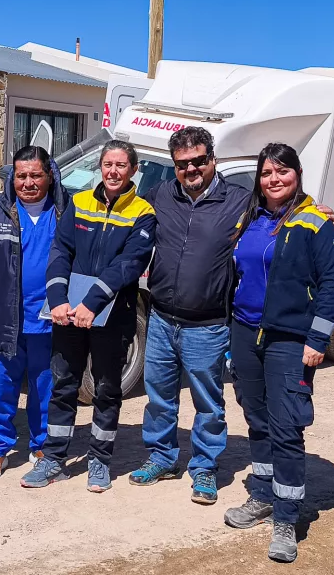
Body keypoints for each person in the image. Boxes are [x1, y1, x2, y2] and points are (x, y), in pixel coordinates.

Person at [223, 142, 334, 563]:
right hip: (244, 331)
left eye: (283, 172)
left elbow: (333, 286)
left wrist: (317, 340)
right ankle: (261, 496)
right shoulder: (249, 217)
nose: (274, 180)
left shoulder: (317, 223)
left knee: (286, 427)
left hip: (289, 339)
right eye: (266, 173)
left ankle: (287, 517)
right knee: (256, 419)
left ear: (297, 174)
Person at [21, 140, 156, 493]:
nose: (113, 171)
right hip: (69, 315)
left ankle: (99, 459)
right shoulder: (79, 203)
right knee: (63, 386)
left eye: (121, 165)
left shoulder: (143, 212)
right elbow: (60, 251)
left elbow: (128, 265)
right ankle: (53, 459)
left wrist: (92, 302)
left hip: (114, 315)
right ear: (100, 166)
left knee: (107, 389)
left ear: (133, 170)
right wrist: (58, 300)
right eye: (108, 164)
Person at [129, 126, 250, 505]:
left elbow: (285, 208)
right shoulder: (160, 195)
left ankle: (204, 469)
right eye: (183, 163)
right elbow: (118, 211)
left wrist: (315, 208)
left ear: (213, 160)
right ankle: (163, 458)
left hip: (209, 324)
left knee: (208, 404)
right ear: (174, 165)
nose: (192, 169)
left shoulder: (242, 202)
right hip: (162, 318)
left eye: (199, 161)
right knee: (160, 398)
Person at [0, 145, 69, 479]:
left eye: (36, 175)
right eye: (22, 175)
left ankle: (41, 445)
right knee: (0, 385)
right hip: (6, 319)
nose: (28, 182)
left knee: (45, 386)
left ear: (49, 175)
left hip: (52, 320)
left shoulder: (67, 213)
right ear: (13, 177)